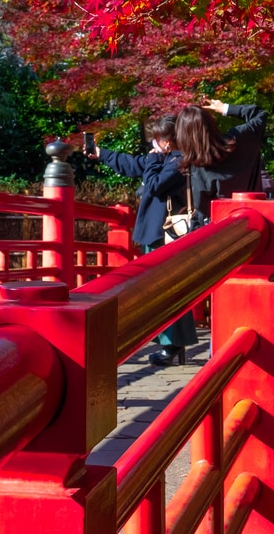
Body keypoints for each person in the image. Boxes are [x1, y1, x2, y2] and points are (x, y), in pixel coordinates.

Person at [85, 115, 199, 366]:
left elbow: (155, 185)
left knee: (165, 289)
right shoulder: (164, 159)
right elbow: (133, 164)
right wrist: (102, 153)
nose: (153, 143)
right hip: (157, 232)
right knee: (161, 288)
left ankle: (172, 345)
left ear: (167, 142)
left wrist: (153, 160)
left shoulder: (178, 161)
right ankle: (170, 344)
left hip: (164, 234)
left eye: (157, 139)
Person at [173, 97, 270, 225]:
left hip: (223, 230)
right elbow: (260, 115)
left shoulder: (199, 165)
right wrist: (225, 108)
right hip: (256, 219)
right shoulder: (240, 139)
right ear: (211, 122)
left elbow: (203, 208)